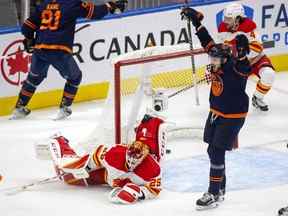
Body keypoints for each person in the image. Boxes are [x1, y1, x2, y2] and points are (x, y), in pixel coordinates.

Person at [181, 7, 252, 210]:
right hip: (216, 113)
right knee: (213, 151)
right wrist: (197, 23)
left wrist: (242, 55)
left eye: (215, 59)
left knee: (216, 149)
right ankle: (220, 189)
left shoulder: (235, 67)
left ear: (225, 59)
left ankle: (213, 193)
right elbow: (208, 42)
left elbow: (244, 67)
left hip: (233, 115)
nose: (212, 62)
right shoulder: (219, 59)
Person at [11, 0, 127, 120]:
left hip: (40, 49)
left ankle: (19, 108)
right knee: (75, 77)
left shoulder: (44, 4)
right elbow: (95, 13)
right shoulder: (72, 3)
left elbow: (27, 27)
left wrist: (29, 39)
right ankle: (64, 108)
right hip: (59, 50)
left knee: (33, 78)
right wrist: (110, 6)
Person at [40, 114, 167, 204]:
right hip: (105, 173)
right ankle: (59, 141)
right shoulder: (114, 153)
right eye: (130, 157)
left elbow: (154, 189)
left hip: (110, 179)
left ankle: (153, 124)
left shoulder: (152, 169)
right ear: (127, 150)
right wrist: (86, 168)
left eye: (136, 159)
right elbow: (96, 155)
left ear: (144, 158)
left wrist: (139, 192)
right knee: (67, 177)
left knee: (70, 178)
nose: (132, 162)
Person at [218, 3, 275, 111]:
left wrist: (242, 53)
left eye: (229, 19)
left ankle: (257, 98)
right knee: (228, 85)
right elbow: (222, 47)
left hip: (256, 59)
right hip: (237, 62)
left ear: (238, 18)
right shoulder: (222, 27)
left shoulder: (249, 26)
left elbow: (257, 48)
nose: (225, 21)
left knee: (268, 74)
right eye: (225, 18)